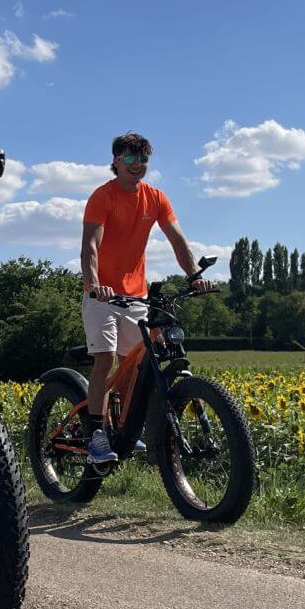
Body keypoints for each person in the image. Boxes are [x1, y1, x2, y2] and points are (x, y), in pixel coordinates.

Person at [80, 132, 212, 466]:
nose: (137, 165)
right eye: (129, 158)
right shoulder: (102, 197)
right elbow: (90, 246)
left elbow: (177, 240)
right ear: (115, 162)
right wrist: (94, 283)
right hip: (101, 295)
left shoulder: (155, 198)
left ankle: (123, 428)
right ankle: (96, 434)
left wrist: (194, 276)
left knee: (134, 366)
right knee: (105, 358)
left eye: (142, 159)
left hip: (134, 293)